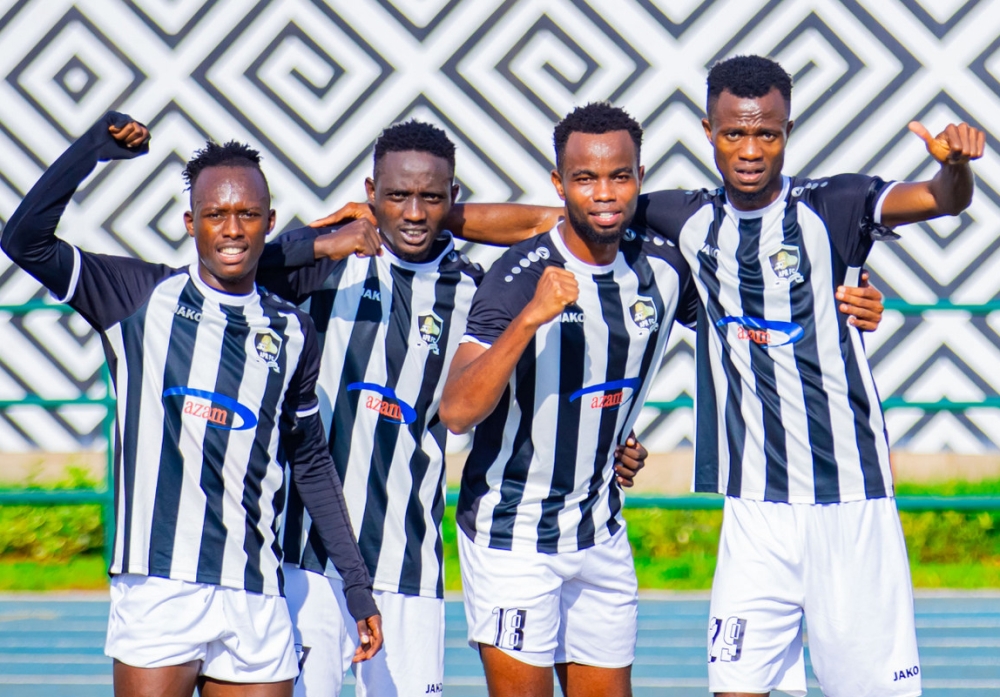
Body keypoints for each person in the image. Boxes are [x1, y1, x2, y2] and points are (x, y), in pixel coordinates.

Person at [400, 55, 983, 697]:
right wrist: (425, 218)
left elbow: (937, 200)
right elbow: (554, 219)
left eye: (769, 133)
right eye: (735, 133)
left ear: (789, 130)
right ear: (710, 132)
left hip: (848, 500)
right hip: (750, 509)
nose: (752, 149)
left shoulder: (833, 207)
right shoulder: (678, 219)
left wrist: (952, 166)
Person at [256, 119, 651, 697]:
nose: (414, 213)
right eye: (396, 196)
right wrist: (317, 240)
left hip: (410, 563)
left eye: (431, 198)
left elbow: (555, 222)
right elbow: (228, 258)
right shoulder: (324, 267)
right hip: (306, 555)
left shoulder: (476, 287)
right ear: (369, 193)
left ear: (454, 198)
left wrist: (615, 439)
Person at [0, 112, 382, 697]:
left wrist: (357, 586)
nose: (232, 229)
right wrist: (92, 149)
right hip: (159, 588)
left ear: (269, 222)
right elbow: (23, 240)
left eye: (248, 215)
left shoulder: (294, 331)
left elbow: (309, 463)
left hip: (255, 589)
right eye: (216, 215)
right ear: (190, 222)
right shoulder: (135, 299)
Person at [435, 102, 701, 697]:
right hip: (514, 537)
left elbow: (742, 323)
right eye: (585, 178)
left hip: (600, 531)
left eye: (619, 176)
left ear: (639, 178)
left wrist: (847, 300)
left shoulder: (661, 268)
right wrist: (529, 319)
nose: (604, 193)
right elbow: (456, 411)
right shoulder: (519, 276)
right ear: (560, 185)